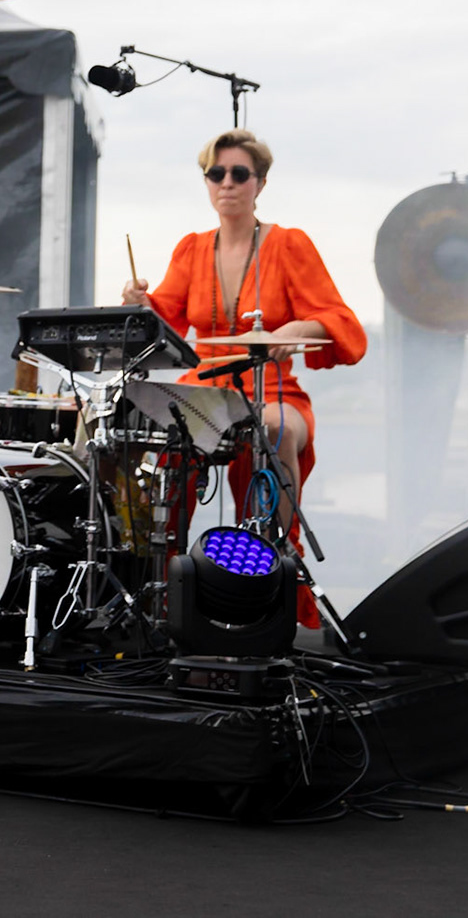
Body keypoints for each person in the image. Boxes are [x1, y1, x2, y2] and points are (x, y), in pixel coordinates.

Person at [122, 129, 365, 623]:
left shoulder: (289, 244)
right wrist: (138, 304)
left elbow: (342, 323)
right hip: (203, 391)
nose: (226, 183)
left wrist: (297, 326)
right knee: (150, 436)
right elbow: (163, 323)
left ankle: (271, 580)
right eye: (216, 174)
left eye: (238, 174)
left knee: (273, 429)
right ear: (207, 182)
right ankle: (157, 588)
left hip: (271, 389)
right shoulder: (191, 249)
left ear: (261, 183)